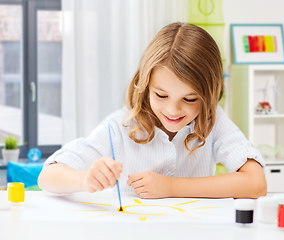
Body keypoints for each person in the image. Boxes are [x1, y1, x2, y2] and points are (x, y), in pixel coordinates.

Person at [38, 22, 267, 199]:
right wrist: (85, 180)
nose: (173, 110)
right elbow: (47, 176)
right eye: (161, 95)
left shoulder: (212, 120)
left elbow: (256, 183)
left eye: (189, 98)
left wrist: (171, 187)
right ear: (145, 85)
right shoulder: (121, 126)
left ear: (209, 95)